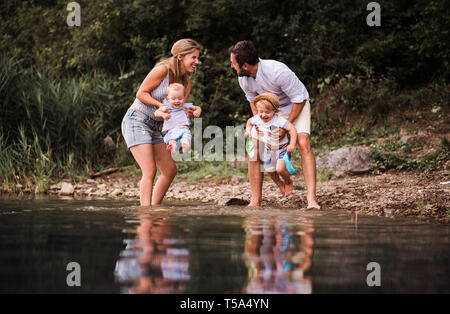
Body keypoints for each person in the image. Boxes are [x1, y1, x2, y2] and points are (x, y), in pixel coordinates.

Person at [229, 40, 320, 209]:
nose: (232, 67)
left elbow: (299, 100)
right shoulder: (244, 79)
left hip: (295, 105)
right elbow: (253, 102)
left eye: (234, 64)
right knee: (254, 147)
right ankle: (255, 201)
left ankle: (311, 199)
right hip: (268, 111)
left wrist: (286, 126)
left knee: (302, 142)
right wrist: (260, 126)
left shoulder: (278, 71)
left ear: (245, 65)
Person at [121, 38, 203, 206]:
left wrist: (191, 111)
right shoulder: (162, 70)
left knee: (169, 170)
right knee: (149, 170)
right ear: (180, 57)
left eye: (197, 58)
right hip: (137, 120)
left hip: (155, 125)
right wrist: (161, 105)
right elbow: (141, 93)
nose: (197, 61)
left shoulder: (186, 82)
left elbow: (178, 111)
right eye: (193, 57)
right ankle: (146, 212)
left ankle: (153, 206)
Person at [244, 93, 297, 197]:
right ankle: (280, 184)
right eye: (261, 112)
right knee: (269, 171)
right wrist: (248, 131)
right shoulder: (257, 119)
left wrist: (292, 144)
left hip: (282, 149)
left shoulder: (278, 120)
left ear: (275, 111)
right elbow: (249, 122)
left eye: (267, 112)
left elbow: (292, 129)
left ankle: (288, 181)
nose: (263, 115)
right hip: (269, 149)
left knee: (280, 169)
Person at [155, 83, 201, 153]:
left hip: (184, 129)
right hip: (171, 131)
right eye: (173, 99)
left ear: (184, 97)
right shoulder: (167, 107)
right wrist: (163, 114)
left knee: (185, 139)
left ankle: (184, 146)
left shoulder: (185, 106)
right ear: (168, 99)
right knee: (172, 141)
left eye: (180, 98)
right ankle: (172, 147)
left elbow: (197, 107)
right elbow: (156, 113)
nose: (177, 101)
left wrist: (197, 111)